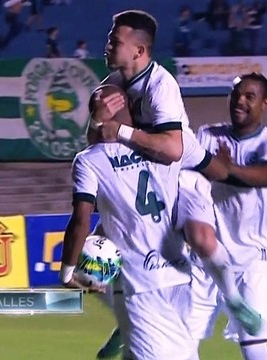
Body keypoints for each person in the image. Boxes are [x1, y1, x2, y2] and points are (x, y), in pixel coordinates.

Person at [87, 10, 260, 359]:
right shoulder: (111, 86)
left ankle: (233, 298)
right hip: (143, 181)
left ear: (139, 51)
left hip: (182, 173)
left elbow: (174, 149)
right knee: (91, 266)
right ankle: (128, 321)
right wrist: (96, 119)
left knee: (200, 237)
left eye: (114, 41)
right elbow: (96, 142)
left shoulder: (160, 85)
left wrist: (118, 129)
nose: (107, 45)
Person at [60, 87, 215, 360]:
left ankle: (124, 333)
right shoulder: (165, 147)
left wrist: (67, 273)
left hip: (140, 282)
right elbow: (213, 168)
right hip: (181, 275)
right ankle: (124, 334)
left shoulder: (89, 161)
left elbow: (81, 219)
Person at [187, 73, 267, 360]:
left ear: (265, 104)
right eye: (235, 94)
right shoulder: (208, 135)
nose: (240, 101)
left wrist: (226, 169)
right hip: (205, 262)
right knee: (179, 347)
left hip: (251, 262)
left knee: (255, 351)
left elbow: (265, 176)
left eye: (249, 96)